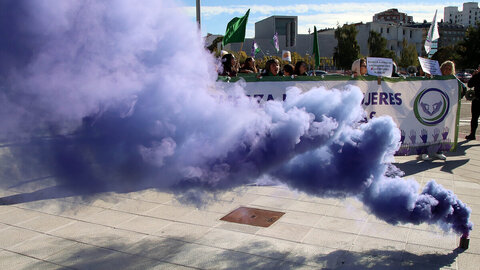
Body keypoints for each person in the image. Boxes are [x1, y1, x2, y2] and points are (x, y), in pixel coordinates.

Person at [466, 64, 480, 140]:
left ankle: (472, 134)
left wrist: (474, 76)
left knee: (474, 118)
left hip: (477, 99)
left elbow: (470, 84)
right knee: (474, 118)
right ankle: (472, 134)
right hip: (476, 100)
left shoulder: (477, 76)